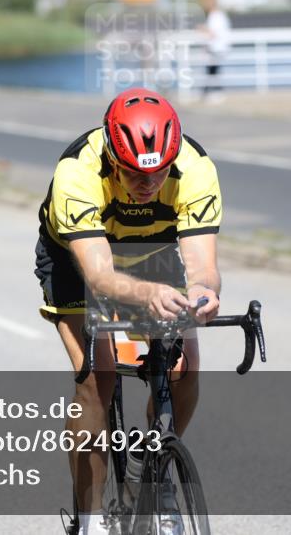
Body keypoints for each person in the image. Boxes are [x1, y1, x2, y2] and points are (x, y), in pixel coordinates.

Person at [34, 87, 222, 535]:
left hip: (151, 251)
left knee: (184, 368)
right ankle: (91, 518)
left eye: (159, 172)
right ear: (113, 156)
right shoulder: (77, 173)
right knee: (96, 379)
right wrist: (147, 295)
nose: (149, 183)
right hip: (78, 259)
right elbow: (99, 277)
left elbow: (203, 267)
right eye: (136, 173)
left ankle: (153, 472)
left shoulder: (195, 169)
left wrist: (203, 294)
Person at [201, 0, 231, 104]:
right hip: (217, 47)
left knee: (212, 71)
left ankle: (213, 93)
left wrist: (202, 29)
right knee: (213, 71)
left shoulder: (216, 16)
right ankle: (210, 92)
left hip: (217, 47)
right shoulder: (219, 16)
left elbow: (213, 33)